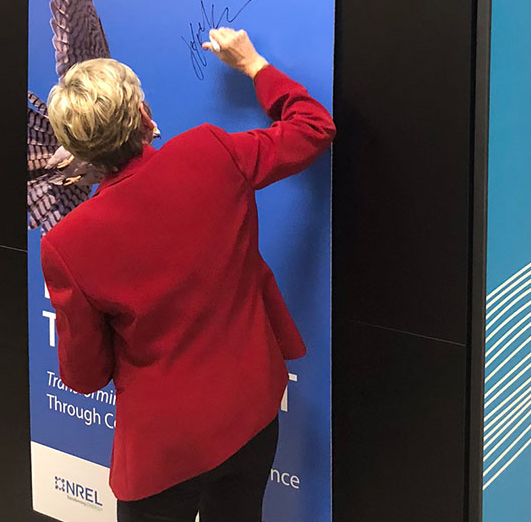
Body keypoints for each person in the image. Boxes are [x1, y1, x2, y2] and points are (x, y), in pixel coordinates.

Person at [41, 27, 336, 522]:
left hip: (163, 451)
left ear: (77, 148)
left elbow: (85, 375)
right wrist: (255, 65)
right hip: (251, 412)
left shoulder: (68, 244)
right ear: (143, 116)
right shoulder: (210, 153)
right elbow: (313, 127)